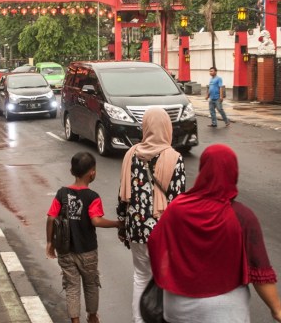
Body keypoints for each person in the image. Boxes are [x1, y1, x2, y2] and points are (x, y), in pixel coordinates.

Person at [148, 144, 281, 323]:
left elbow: (154, 244)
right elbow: (260, 270)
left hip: (178, 307)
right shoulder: (243, 217)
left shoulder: (177, 208)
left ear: (203, 169)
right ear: (233, 172)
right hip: (225, 311)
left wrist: (177, 273)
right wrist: (277, 308)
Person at [117, 107, 186, 323]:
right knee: (163, 280)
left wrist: (122, 223)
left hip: (136, 228)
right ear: (167, 127)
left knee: (140, 277)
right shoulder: (174, 158)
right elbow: (178, 200)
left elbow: (123, 194)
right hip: (163, 231)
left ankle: (139, 320)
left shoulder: (131, 154)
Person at [46, 152, 120, 323]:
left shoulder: (62, 193)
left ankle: (75, 321)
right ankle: (92, 317)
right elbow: (96, 220)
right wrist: (117, 224)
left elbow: (51, 217)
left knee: (71, 287)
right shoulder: (92, 196)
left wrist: (50, 242)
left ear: (72, 170)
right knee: (91, 284)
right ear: (92, 173)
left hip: (65, 250)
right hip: (87, 251)